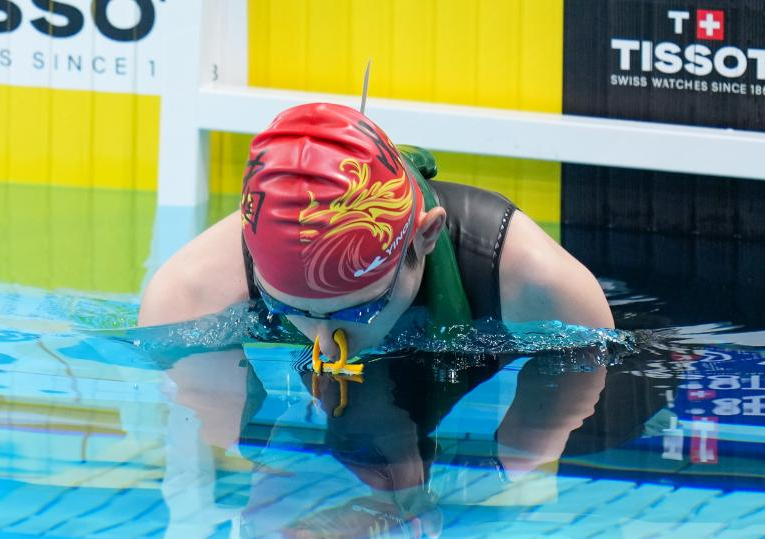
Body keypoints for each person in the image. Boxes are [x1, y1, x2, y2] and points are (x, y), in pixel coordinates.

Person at [138, 102, 613, 360]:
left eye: (360, 308)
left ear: (425, 237)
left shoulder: (537, 282)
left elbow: (535, 469)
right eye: (288, 308)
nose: (324, 341)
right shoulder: (189, 295)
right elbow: (248, 463)